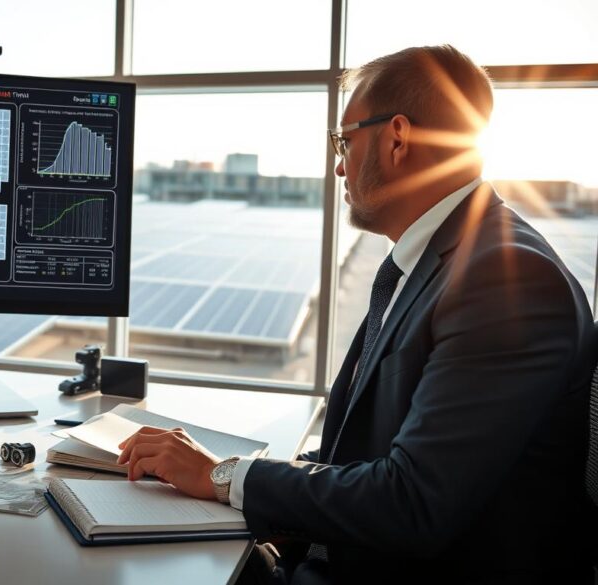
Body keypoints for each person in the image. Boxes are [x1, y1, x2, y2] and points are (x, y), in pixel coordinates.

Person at [117, 45, 596, 584]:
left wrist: (225, 477)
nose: (340, 164)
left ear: (396, 138)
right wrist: (224, 480)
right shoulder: (440, 260)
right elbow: (365, 451)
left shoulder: (506, 280)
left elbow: (413, 502)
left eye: (344, 141)